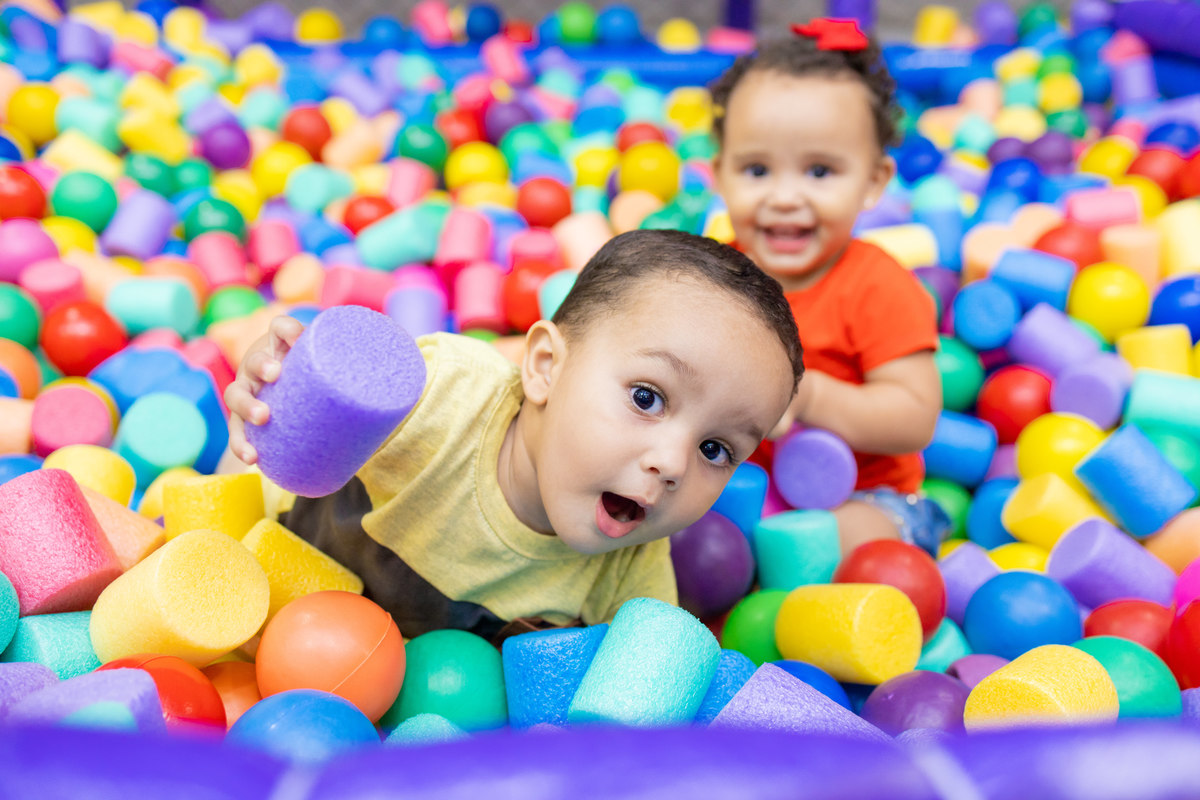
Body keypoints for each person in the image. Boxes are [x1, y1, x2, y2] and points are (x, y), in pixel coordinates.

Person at [225, 229, 803, 642]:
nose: (674, 463)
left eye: (715, 449)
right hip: (261, 573)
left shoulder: (632, 571)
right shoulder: (439, 391)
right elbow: (291, 431)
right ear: (546, 367)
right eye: (646, 398)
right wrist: (271, 392)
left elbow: (631, 711)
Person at [710, 18, 947, 556]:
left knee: (846, 541)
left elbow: (915, 418)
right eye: (757, 170)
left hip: (868, 498)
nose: (786, 197)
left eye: (819, 172)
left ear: (873, 181)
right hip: (737, 493)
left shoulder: (878, 285)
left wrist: (810, 394)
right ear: (720, 173)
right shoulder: (715, 276)